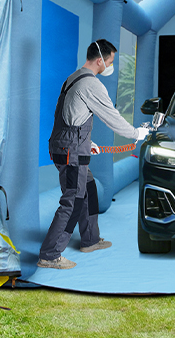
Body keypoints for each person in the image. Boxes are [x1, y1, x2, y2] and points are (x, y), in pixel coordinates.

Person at [38, 38, 150, 270]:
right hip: (70, 152)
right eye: (110, 62)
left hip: (69, 146)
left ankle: (89, 240)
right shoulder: (92, 84)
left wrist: (86, 143)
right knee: (73, 200)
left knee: (88, 189)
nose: (111, 66)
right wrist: (136, 133)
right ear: (100, 61)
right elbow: (112, 117)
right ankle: (49, 255)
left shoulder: (73, 78)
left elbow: (70, 115)